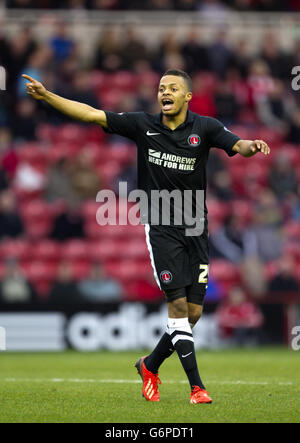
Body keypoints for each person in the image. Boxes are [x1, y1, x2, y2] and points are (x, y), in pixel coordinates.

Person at [22, 69, 271, 405]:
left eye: (173, 88)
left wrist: (252, 147)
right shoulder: (143, 125)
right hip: (161, 225)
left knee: (194, 313)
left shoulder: (206, 128)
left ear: (187, 97)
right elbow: (92, 114)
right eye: (161, 88)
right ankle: (197, 387)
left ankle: (149, 364)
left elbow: (238, 144)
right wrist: (48, 96)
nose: (165, 92)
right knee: (179, 306)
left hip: (196, 227)